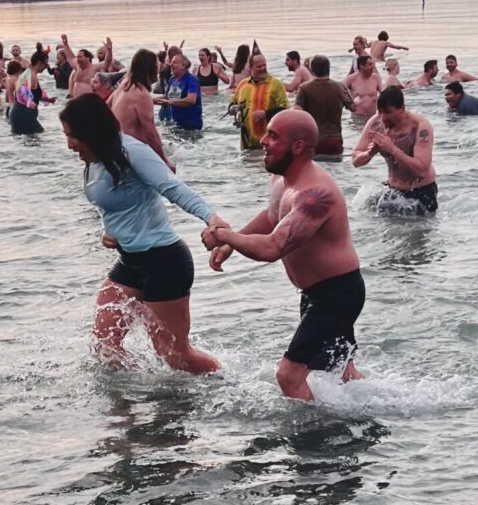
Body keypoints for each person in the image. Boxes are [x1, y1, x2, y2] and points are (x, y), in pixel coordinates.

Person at [201, 110, 365, 401]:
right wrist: (229, 245)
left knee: (288, 376)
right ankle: (374, 407)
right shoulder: (282, 183)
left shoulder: (314, 195)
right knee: (340, 372)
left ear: (298, 146)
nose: (263, 140)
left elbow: (273, 248)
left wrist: (225, 235)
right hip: (318, 293)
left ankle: (315, 439)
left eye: (273, 136)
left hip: (337, 295)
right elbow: (271, 216)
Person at [59, 94, 226, 374]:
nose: (69, 144)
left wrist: (212, 218)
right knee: (105, 346)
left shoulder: (131, 151)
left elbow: (172, 188)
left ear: (90, 130)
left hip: (164, 262)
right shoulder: (97, 159)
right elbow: (117, 207)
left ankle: (224, 381)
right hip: (130, 263)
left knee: (175, 357)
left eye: (72, 135)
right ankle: (128, 408)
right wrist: (109, 233)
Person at [352, 86, 437, 214]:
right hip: (393, 191)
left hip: (420, 192)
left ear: (402, 108)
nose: (383, 117)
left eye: (388, 112)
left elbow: (422, 170)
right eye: (380, 111)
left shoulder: (420, 127)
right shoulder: (376, 123)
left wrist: (392, 149)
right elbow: (355, 161)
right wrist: (370, 153)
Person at [111, 49, 174, 170]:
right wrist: (165, 160)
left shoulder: (125, 84)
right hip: (135, 152)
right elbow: (150, 132)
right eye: (156, 65)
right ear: (149, 69)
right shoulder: (141, 94)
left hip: (119, 147)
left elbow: (106, 108)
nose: (159, 69)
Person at [294, 55, 354, 156]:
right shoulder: (340, 87)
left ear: (311, 70)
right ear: (328, 69)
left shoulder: (304, 88)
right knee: (335, 171)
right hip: (335, 140)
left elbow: (297, 112)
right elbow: (353, 108)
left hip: (313, 141)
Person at [230, 54, 290, 149]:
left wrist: (265, 114)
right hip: (246, 143)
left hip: (269, 144)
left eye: (264, 65)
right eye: (259, 66)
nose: (263, 68)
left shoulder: (276, 84)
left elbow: (285, 110)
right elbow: (233, 102)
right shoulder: (243, 84)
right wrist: (232, 108)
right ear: (250, 68)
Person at [10, 50, 55, 136]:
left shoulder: (29, 73)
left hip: (19, 112)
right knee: (37, 140)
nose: (46, 67)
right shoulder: (31, 75)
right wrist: (29, 102)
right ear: (39, 63)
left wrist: (48, 99)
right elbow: (22, 90)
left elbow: (32, 93)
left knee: (31, 142)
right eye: (45, 64)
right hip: (23, 113)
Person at [155, 54, 203, 130]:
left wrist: (170, 102)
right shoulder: (172, 79)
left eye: (174, 62)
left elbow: (191, 100)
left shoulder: (192, 80)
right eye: (171, 62)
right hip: (176, 124)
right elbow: (167, 97)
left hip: (191, 127)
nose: (170, 64)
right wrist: (150, 100)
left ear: (183, 66)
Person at [60, 34, 114, 98]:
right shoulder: (77, 66)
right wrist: (65, 44)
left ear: (88, 58)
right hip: (76, 100)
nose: (78, 59)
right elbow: (70, 58)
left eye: (80, 57)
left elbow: (107, 62)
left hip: (89, 101)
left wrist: (109, 50)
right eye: (77, 57)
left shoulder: (95, 68)